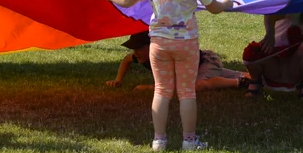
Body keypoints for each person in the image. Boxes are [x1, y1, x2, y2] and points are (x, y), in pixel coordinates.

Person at [96, 0, 235, 152]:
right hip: (187, 44)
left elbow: (126, 1)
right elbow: (215, 8)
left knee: (161, 91)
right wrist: (227, 3)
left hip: (159, 44)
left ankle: (159, 141)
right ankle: (189, 141)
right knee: (186, 92)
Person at [106, 31, 251, 92]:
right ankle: (254, 78)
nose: (135, 53)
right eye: (133, 49)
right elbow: (126, 60)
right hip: (197, 65)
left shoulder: (165, 57)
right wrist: (118, 80)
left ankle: (239, 82)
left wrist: (148, 87)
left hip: (204, 64)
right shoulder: (141, 57)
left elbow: (172, 85)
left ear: (153, 46)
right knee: (230, 73)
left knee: (196, 86)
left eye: (139, 48)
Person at [243, 12, 303, 99]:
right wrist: (270, 33)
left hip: (294, 71)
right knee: (251, 52)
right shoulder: (294, 12)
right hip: (273, 65)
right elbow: (270, 14)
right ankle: (256, 81)